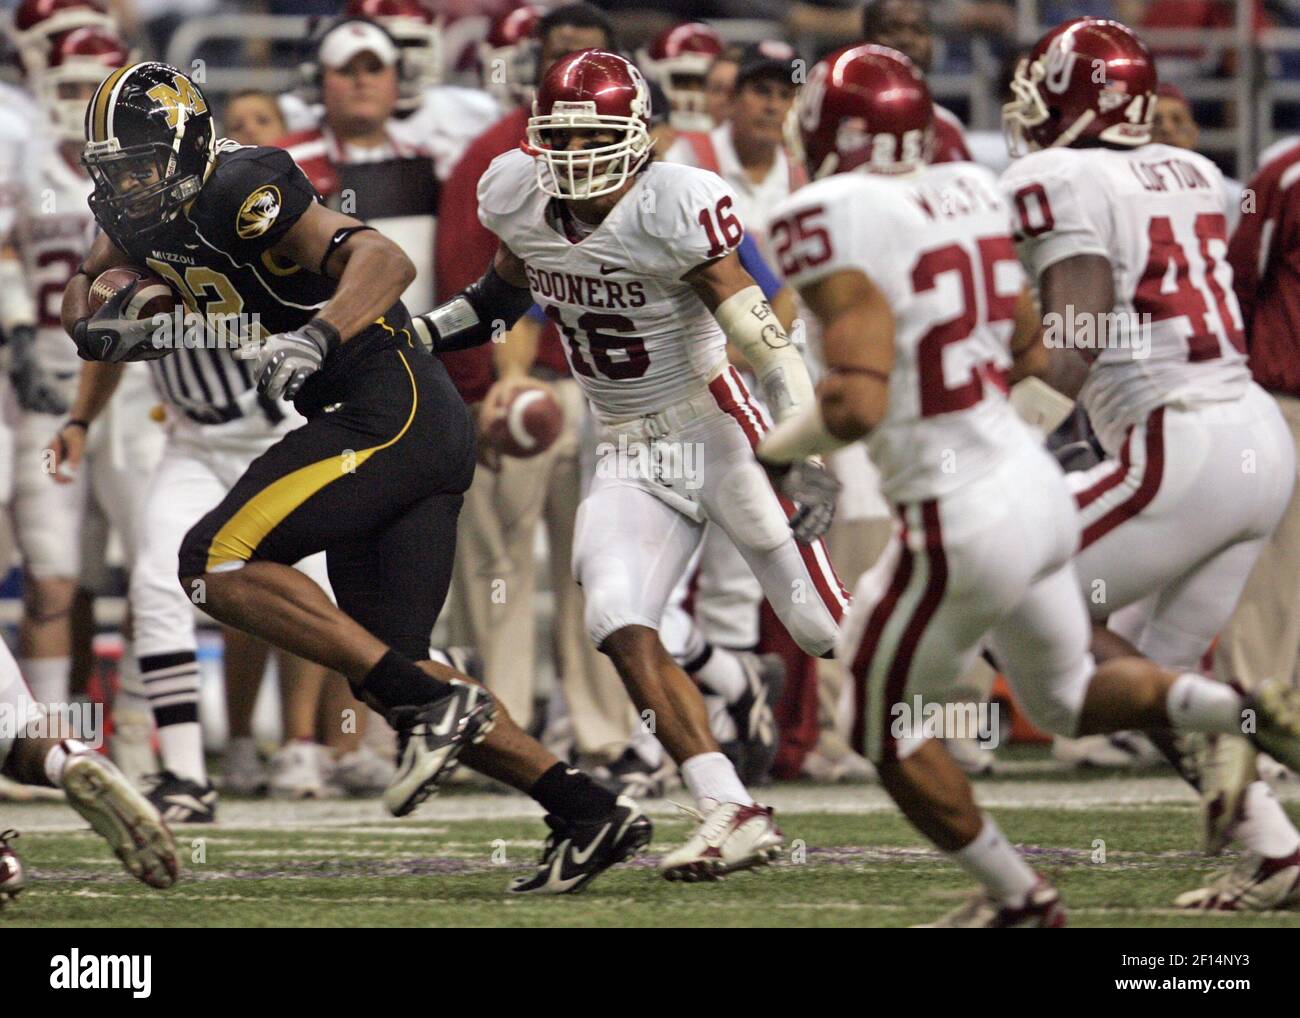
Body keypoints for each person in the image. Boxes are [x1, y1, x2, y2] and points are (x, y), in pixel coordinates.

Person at [67, 62, 651, 893]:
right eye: (112, 169)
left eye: (139, 165)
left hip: (390, 408)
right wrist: (111, 303)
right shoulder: (132, 209)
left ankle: (438, 708)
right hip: (394, 424)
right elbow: (85, 291)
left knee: (211, 561)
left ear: (189, 147)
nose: (125, 185)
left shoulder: (243, 183)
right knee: (394, 670)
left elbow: (383, 260)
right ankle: (588, 809)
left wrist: (319, 338)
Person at [758, 41, 1300, 927]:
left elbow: (1058, 340)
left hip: (1149, 445)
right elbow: (1020, 336)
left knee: (883, 722)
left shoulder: (1002, 185)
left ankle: (1022, 894)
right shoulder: (1179, 170)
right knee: (1093, 681)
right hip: (1247, 432)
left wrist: (780, 450)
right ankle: (1264, 811)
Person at [414, 48, 852, 878]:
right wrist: (420, 333)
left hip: (717, 427)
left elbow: (762, 336)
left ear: (638, 135)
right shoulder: (520, 195)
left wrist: (805, 446)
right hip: (623, 442)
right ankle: (730, 806)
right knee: (614, 617)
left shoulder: (673, 204)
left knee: (822, 630)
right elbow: (499, 297)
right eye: (563, 137)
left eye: (594, 135)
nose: (576, 156)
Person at [1000, 17, 1300, 910]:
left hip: (1180, 441)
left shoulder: (1056, 174)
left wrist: (1007, 446)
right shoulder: (1195, 172)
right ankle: (1279, 850)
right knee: (1151, 670)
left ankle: (1250, 710)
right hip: (1252, 436)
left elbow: (1080, 329)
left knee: (1007, 577)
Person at [436, 2, 640, 772]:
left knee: (602, 567)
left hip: (616, 393)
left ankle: (606, 733)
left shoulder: (657, 172)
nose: (574, 75)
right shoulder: (496, 159)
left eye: (590, 59)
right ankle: (508, 738)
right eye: (559, 58)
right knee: (497, 573)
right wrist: (478, 392)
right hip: (518, 387)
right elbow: (470, 281)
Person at [1216, 135, 1300, 775]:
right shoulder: (1285, 173)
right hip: (1284, 397)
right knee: (1271, 574)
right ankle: (1247, 726)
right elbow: (1238, 278)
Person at [859, 0, 973, 163]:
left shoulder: (946, 126)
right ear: (865, 41)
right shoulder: (838, 119)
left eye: (918, 31)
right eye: (892, 29)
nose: (906, 40)